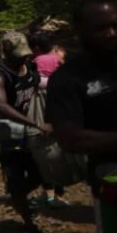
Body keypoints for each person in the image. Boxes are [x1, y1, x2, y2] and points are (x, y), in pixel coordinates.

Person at [47, 0, 117, 233]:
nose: (110, 33)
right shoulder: (69, 78)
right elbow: (71, 138)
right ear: (80, 30)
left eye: (116, 26)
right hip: (114, 183)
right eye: (100, 28)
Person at [0, 31, 51, 233]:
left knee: (40, 174)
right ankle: (29, 226)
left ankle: (17, 196)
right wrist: (34, 123)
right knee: (15, 177)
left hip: (30, 133)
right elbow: (1, 105)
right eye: (18, 55)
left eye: (25, 53)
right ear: (6, 52)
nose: (23, 58)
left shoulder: (30, 67)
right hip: (8, 135)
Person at [30, 31, 70, 208]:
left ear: (36, 48)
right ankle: (59, 194)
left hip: (39, 110)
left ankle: (49, 194)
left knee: (42, 153)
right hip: (59, 109)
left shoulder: (34, 62)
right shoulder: (58, 60)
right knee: (60, 151)